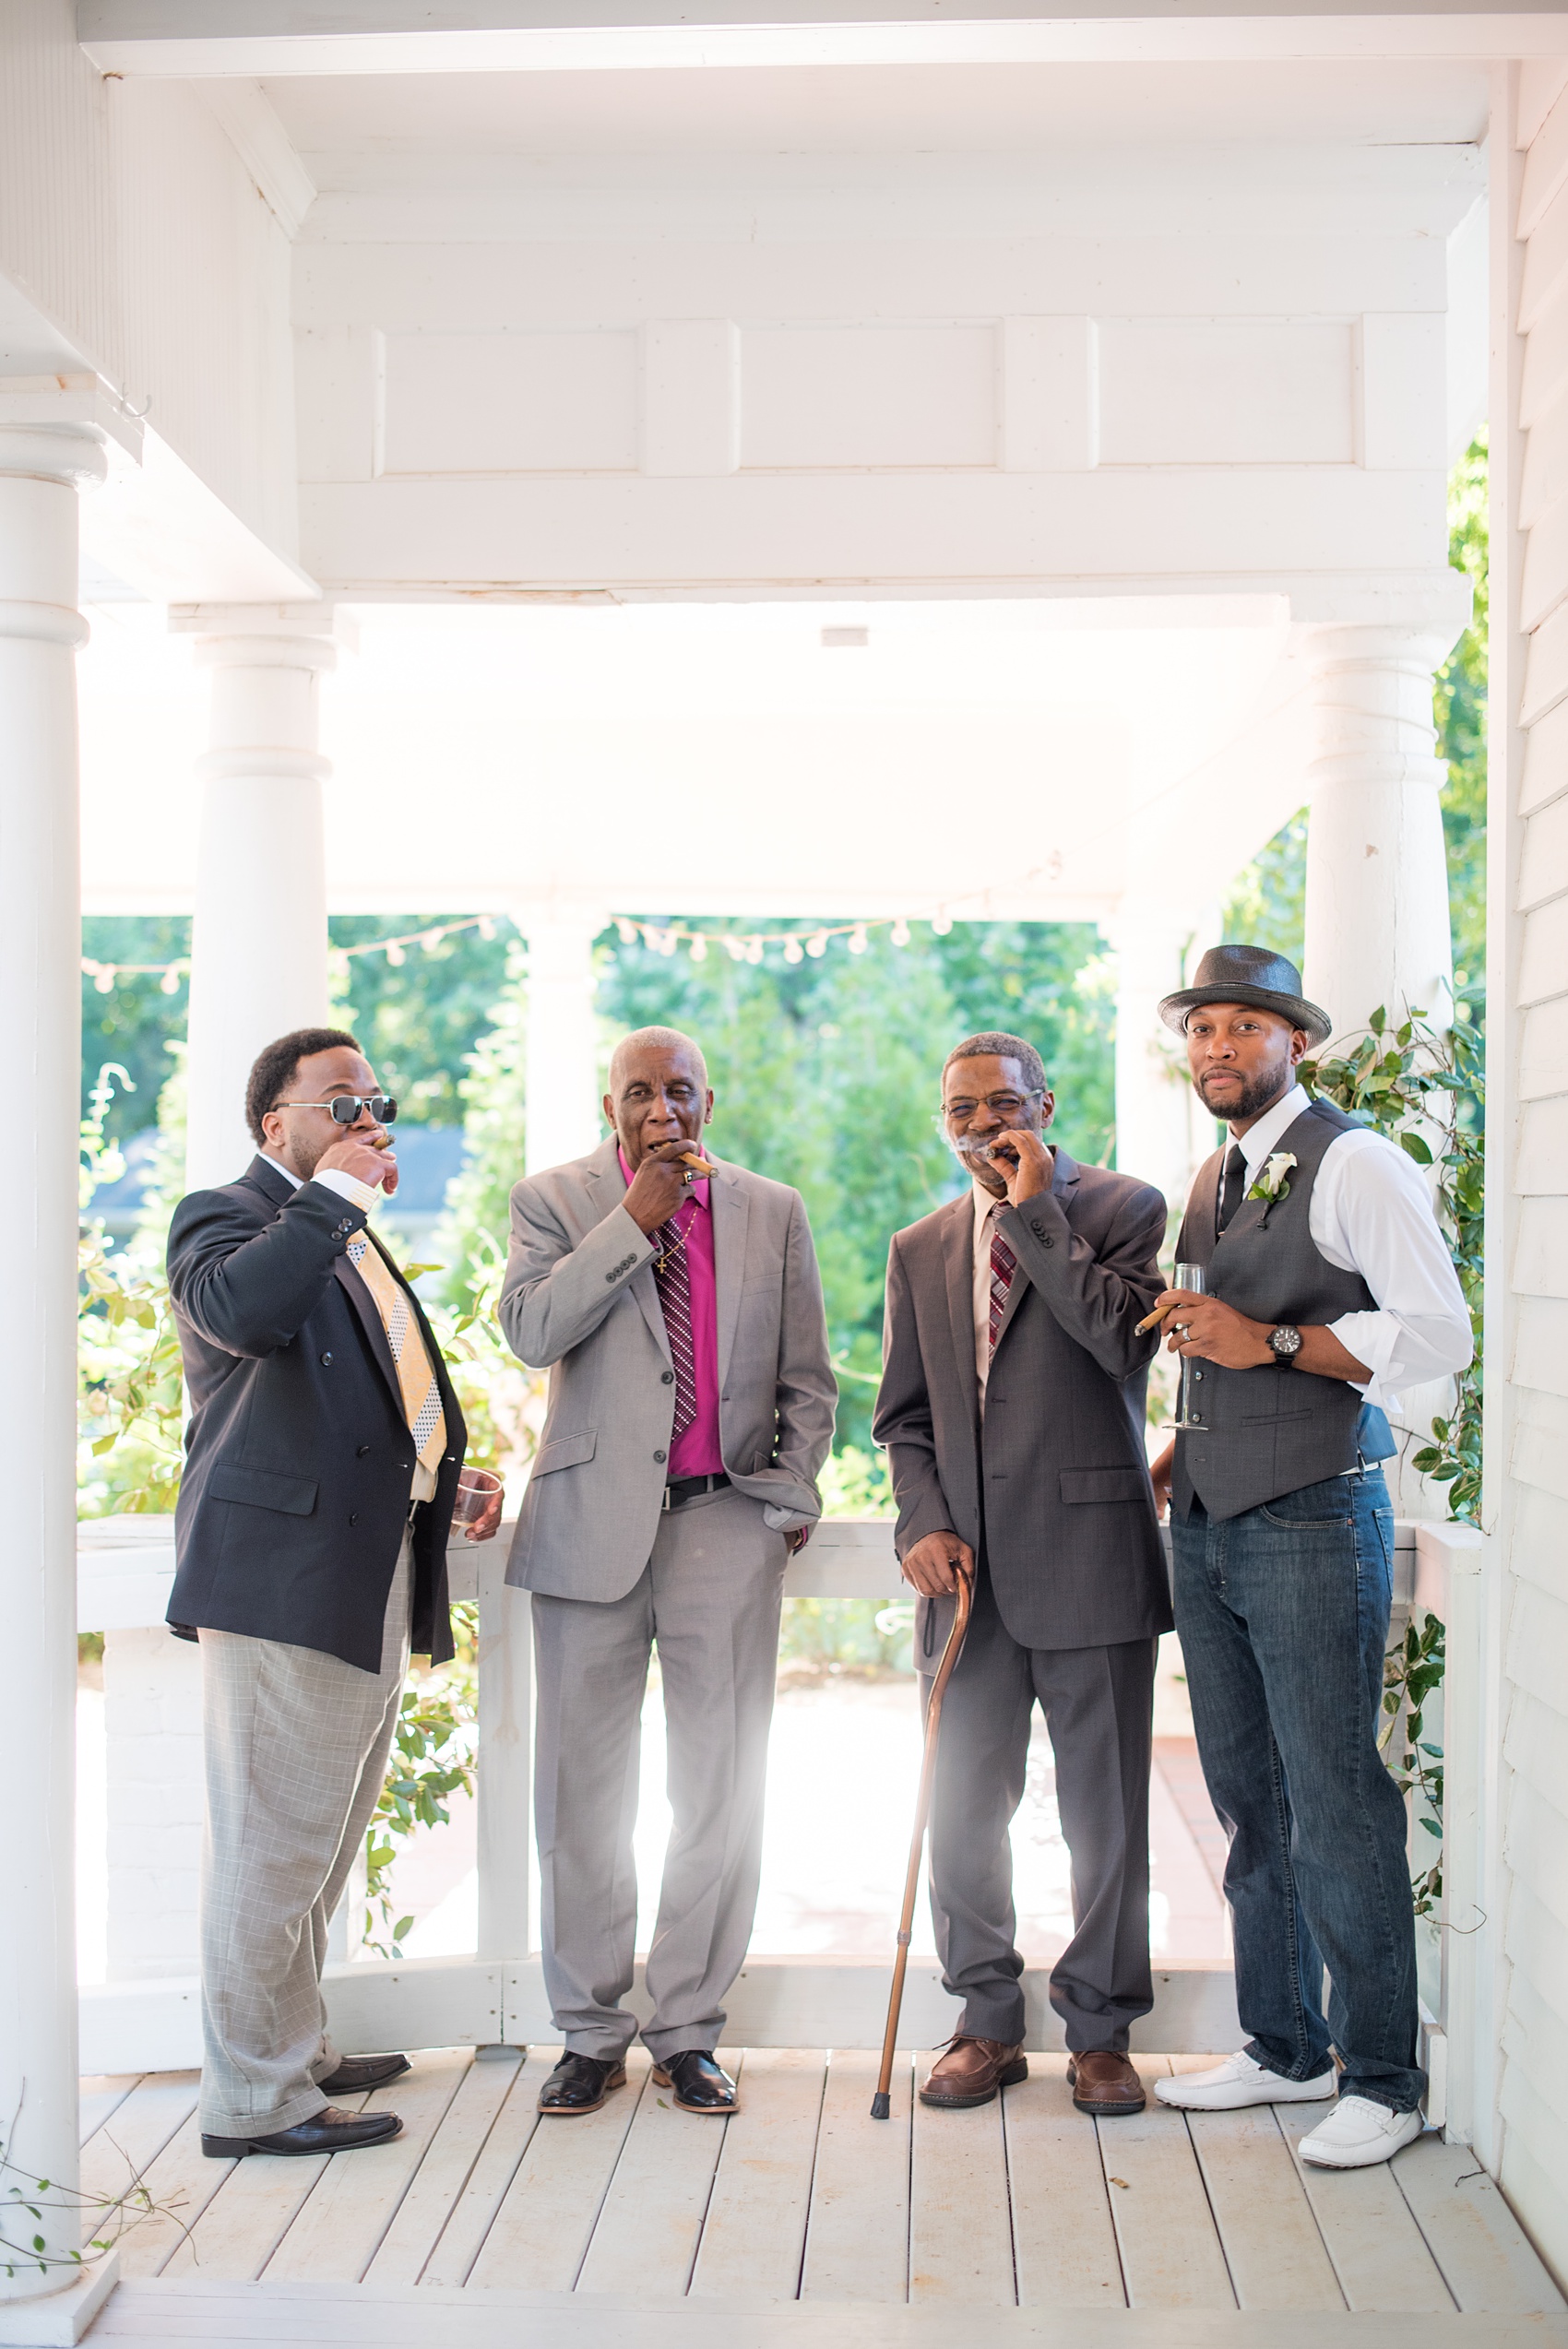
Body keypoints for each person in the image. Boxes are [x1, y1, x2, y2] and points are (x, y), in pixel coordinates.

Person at [1146, 944, 1472, 2170]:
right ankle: (1282, 2045)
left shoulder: (1359, 1161)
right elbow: (1207, 1338)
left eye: (1244, 1026)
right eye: (1203, 1028)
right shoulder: (1215, 1172)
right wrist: (1183, 1447)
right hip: (1213, 1513)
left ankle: (1384, 2078)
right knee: (1247, 1795)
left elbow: (1440, 1332)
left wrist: (1274, 1339)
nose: (1218, 1047)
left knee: (1336, 1797)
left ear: (1297, 1042)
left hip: (1312, 1517)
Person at [166, 1027, 502, 2160]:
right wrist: (332, 1198)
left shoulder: (338, 1228)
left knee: (319, 1838)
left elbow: (366, 1396)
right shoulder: (229, 1215)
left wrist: (441, 1481)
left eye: (375, 1101)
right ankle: (251, 2099)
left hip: (366, 1564)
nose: (369, 1118)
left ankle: (294, 2047)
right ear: (276, 1123)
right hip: (282, 1580)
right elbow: (246, 1318)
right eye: (340, 1100)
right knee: (271, 1844)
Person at [500, 1026, 836, 2118]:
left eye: (679, 1089)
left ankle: (687, 2027)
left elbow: (806, 1377)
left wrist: (784, 1494)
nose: (661, 1108)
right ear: (611, 1105)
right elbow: (531, 1331)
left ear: (708, 1097)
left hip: (723, 1527)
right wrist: (631, 1220)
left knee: (719, 1789)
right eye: (638, 1091)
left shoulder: (770, 1209)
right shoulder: (554, 1201)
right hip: (589, 1531)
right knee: (582, 1796)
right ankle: (589, 2033)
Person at [873, 1031, 1170, 2117]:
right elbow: (901, 1416)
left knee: (1105, 1815)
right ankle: (984, 2019)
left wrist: (1035, 1211)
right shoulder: (918, 1247)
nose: (983, 1127)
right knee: (959, 1808)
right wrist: (920, 1518)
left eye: (1003, 1105)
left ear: (1044, 1104)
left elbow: (1119, 1345)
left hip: (1090, 1557)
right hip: (962, 1582)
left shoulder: (1126, 1212)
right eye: (961, 1112)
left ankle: (1099, 2029)